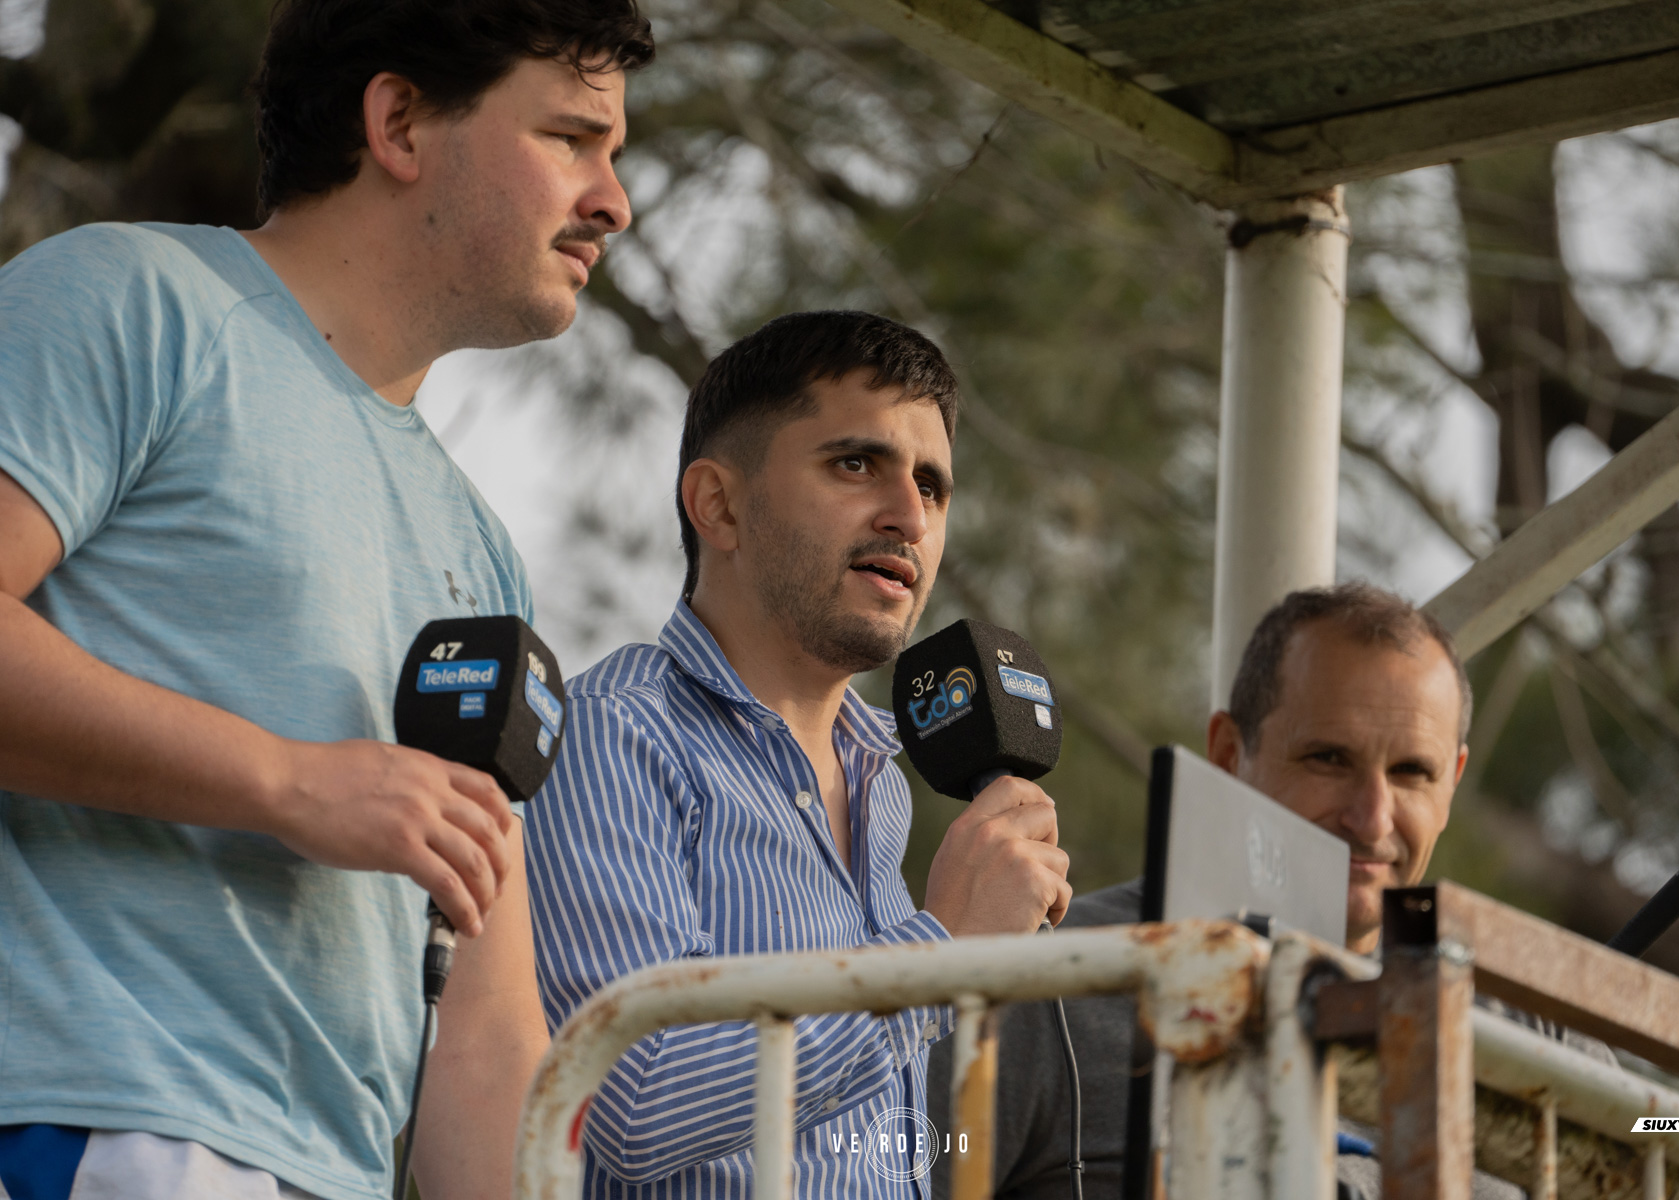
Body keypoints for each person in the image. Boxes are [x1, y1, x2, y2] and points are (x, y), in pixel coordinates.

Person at [0, 3, 652, 1198]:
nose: (614, 201)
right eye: (571, 137)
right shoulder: (132, 298)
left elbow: (486, 1024)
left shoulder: (480, 550)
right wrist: (287, 781)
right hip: (101, 1125)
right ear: (399, 122)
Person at [526, 310, 1073, 1198]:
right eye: (855, 464)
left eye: (932, 487)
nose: (909, 517)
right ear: (719, 504)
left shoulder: (885, 778)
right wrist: (940, 956)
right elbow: (625, 1098)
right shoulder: (610, 734)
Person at [928, 583, 1584, 1200]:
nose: (1373, 817)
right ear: (1227, 754)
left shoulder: (1525, 1015)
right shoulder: (1050, 986)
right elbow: (883, 1163)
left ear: (1453, 782)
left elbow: (1651, 1134)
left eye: (1412, 771)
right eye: (1330, 759)